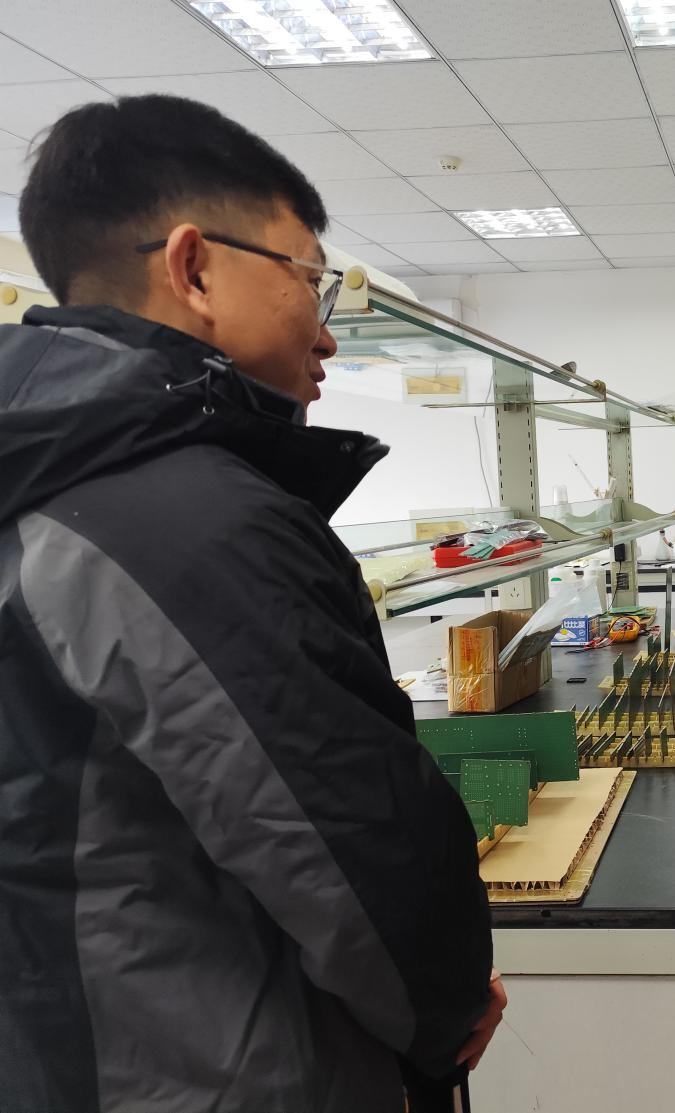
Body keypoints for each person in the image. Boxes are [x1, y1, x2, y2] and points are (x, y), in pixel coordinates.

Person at [0, 95, 498, 1113]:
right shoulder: (190, 521)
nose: (327, 330)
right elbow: (354, 849)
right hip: (220, 1072)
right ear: (193, 267)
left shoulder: (40, 470)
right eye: (310, 278)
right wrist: (447, 1007)